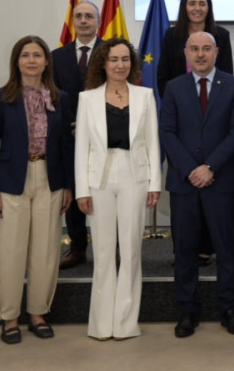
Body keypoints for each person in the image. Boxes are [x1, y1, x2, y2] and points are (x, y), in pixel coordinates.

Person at [0, 35, 73, 344]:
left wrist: (69, 186)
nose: (32, 60)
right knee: (10, 251)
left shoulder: (60, 98)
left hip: (50, 178)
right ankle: (9, 316)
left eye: (38, 55)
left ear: (47, 61)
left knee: (46, 251)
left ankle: (37, 313)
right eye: (26, 55)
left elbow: (65, 145)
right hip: (11, 181)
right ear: (16, 61)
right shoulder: (0, 98)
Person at [160, 31, 234, 338]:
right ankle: (187, 310)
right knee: (184, 248)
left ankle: (230, 308)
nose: (200, 54)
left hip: (220, 179)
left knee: (226, 246)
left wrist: (209, 167)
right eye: (194, 49)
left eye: (206, 49)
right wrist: (191, 169)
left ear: (216, 51)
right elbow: (167, 132)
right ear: (185, 52)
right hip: (184, 183)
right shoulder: (173, 87)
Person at [74, 38, 162, 340]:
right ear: (103, 62)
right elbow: (81, 147)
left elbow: (152, 142)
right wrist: (81, 190)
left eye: (125, 59)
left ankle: (125, 323)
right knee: (102, 252)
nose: (120, 65)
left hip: (134, 176)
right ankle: (101, 324)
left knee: (131, 251)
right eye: (114, 59)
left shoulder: (145, 96)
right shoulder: (87, 99)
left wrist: (155, 183)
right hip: (98, 179)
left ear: (132, 64)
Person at [157, 0, 234, 267]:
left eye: (202, 3)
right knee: (186, 199)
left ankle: (206, 247)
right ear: (184, 7)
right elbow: (162, 77)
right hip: (182, 119)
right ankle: (187, 249)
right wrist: (184, 95)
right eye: (192, 3)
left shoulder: (221, 35)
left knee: (213, 198)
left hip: (213, 119)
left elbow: (227, 76)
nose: (197, 8)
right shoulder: (171, 35)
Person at [52, 0, 101, 270]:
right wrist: (73, 123)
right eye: (79, 16)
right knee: (74, 188)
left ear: (98, 21)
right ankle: (78, 247)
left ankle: (109, 247)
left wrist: (92, 125)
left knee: (105, 191)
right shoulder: (56, 56)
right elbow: (52, 96)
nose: (83, 21)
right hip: (69, 135)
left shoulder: (111, 52)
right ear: (73, 21)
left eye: (89, 16)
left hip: (105, 136)